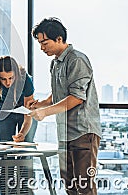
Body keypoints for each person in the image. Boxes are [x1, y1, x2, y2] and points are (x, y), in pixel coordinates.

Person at [29, 17, 101, 195]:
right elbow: (59, 94)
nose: (41, 47)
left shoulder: (77, 60)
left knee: (84, 186)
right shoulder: (55, 63)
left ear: (59, 39)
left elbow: (76, 97)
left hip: (83, 131)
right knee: (69, 185)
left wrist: (45, 112)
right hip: (64, 132)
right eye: (39, 43)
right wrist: (40, 104)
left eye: (45, 42)